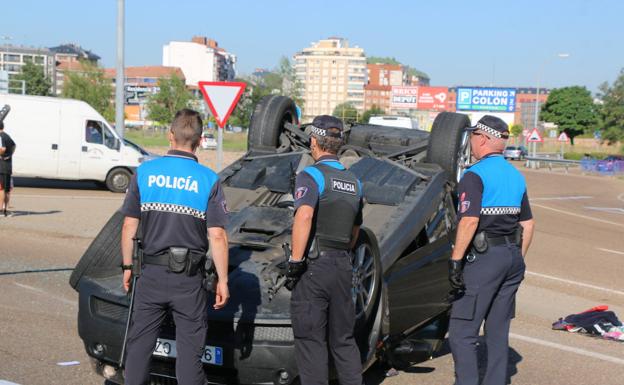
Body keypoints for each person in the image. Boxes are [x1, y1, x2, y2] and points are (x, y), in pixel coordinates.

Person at [120, 109, 230, 385]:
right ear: (201, 140)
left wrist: (127, 266)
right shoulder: (209, 180)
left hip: (150, 276)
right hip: (189, 280)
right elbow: (216, 235)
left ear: (170, 136)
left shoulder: (144, 173)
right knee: (190, 355)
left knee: (139, 347)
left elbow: (128, 226)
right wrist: (223, 280)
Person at [447, 115, 535, 385]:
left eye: (473, 136)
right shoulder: (515, 175)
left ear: (482, 138)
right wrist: (515, 260)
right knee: (498, 332)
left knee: (462, 332)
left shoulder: (475, 175)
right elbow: (528, 225)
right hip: (511, 256)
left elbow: (469, 221)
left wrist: (455, 262)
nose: (471, 142)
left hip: (484, 260)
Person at [285, 115, 364, 385]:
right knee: (343, 341)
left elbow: (304, 217)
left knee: (311, 342)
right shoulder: (355, 182)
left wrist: (296, 261)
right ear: (339, 144)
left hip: (315, 268)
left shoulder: (311, 176)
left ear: (314, 142)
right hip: (343, 265)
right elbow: (355, 232)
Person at [0, 121, 16, 217]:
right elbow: (14, 146)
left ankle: (1, 211)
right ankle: (5, 210)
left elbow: (3, 149)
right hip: (7, 167)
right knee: (6, 189)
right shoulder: (7, 136)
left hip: (2, 167)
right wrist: (9, 155)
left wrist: (2, 155)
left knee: (2, 189)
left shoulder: (1, 136)